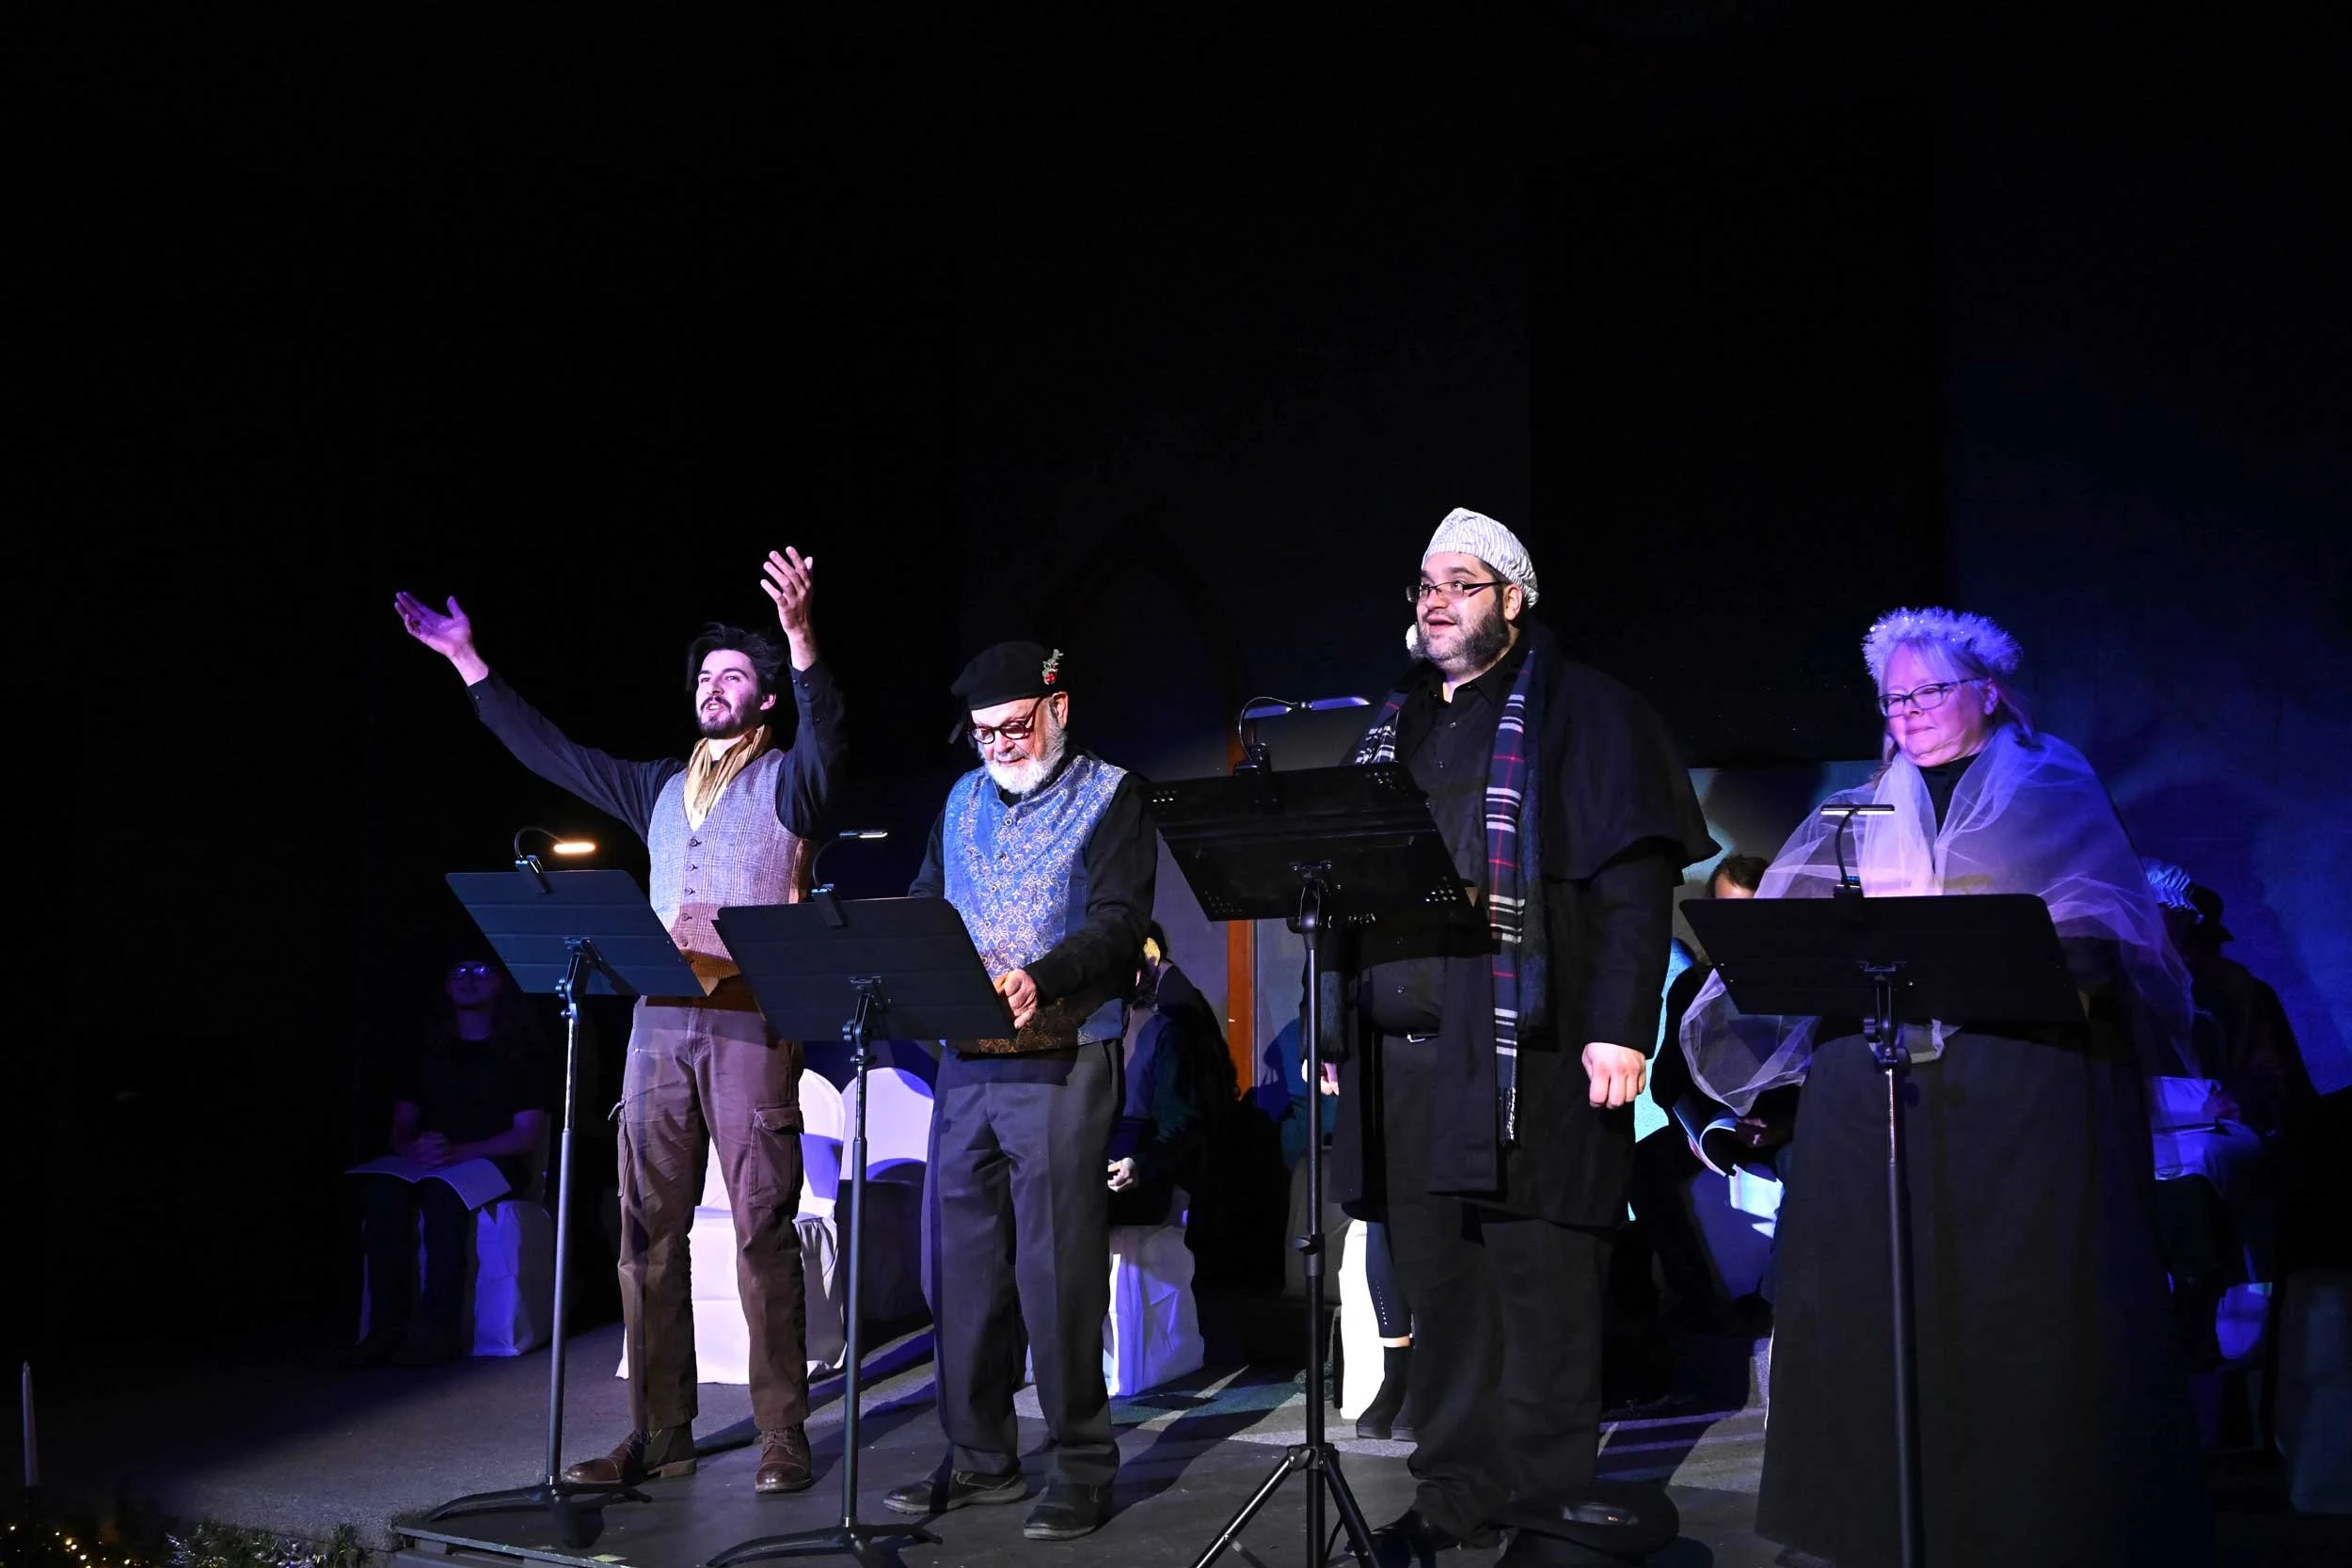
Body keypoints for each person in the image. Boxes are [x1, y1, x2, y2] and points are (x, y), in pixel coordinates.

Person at [1681, 606, 2208, 1568]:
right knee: (1871, 1293)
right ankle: (1870, 1511)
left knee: (2015, 1301)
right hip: (1874, 1089)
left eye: (1927, 689)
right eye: (1894, 695)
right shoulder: (1860, 802)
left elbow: (2099, 924)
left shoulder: (2051, 782)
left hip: (2015, 1090)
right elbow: (1794, 935)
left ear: (1986, 690)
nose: (1908, 708)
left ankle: (2035, 1514)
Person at [391, 548, 843, 1497]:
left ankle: (781, 1430)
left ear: (765, 699)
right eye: (706, 676)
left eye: (734, 676)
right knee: (645, 1231)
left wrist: (800, 642)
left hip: (751, 1018)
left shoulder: (790, 781)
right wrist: (470, 664)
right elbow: (549, 750)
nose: (714, 686)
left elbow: (828, 736)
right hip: (657, 1020)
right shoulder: (656, 786)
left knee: (762, 1226)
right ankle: (660, 1430)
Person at [1320, 508, 1714, 1564]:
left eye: (1460, 580)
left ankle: (1546, 1500)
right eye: (1423, 582)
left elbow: (1635, 891)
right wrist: (1327, 1022)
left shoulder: (1585, 714)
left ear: (1513, 598)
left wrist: (1621, 1029)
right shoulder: (1391, 724)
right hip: (1402, 1063)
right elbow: (1338, 889)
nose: (1434, 597)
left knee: (1539, 1289)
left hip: (1529, 1055)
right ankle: (1454, 1490)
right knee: (1442, 1296)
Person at [883, 641, 1154, 1542]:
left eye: (1012, 726)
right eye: (982, 732)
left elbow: (1120, 923)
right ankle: (980, 1456)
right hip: (968, 1059)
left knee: (1055, 1269)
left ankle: (1080, 1462)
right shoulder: (959, 799)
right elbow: (927, 897)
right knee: (959, 1267)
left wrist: (1047, 971)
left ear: (1057, 708)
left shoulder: (1112, 795)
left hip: (1066, 1054)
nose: (997, 744)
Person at [350, 954, 550, 1367]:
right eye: (458, 970)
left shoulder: (520, 1054)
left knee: (444, 1199)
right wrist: (412, 1149)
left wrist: (463, 1153)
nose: (468, 979)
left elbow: (525, 1135)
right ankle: (386, 1328)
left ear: (500, 984)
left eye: (480, 971)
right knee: (383, 1194)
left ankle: (436, 1332)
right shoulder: (429, 1051)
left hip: (491, 1161)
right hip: (432, 1162)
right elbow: (401, 1126)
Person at [1625, 854, 1785, 1340]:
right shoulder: (1694, 984)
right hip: (1717, 1129)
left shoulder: (1803, 979)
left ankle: (1772, 1300)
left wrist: (1783, 1126)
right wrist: (1703, 1129)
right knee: (1641, 1168)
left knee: (1812, 1165)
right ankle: (1690, 1304)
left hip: (1786, 1125)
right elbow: (1669, 1079)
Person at [1105, 925, 1226, 1228]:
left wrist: (1141, 1164)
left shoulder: (1164, 1029)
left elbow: (1180, 1122)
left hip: (1138, 1169)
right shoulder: (1090, 1033)